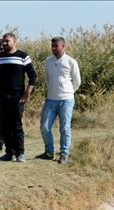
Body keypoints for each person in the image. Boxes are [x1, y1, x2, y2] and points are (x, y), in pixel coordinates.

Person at [0, 33, 36, 163]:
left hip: (18, 96)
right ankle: (9, 153)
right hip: (3, 96)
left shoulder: (23, 56)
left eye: (7, 41)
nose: (5, 43)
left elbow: (33, 76)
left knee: (16, 125)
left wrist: (27, 93)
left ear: (14, 41)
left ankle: (20, 153)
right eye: (4, 41)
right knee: (5, 125)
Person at [36, 37, 81, 165]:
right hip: (51, 99)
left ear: (63, 46)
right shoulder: (48, 62)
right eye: (52, 46)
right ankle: (49, 152)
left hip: (66, 100)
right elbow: (48, 78)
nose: (54, 48)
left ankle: (64, 154)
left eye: (56, 46)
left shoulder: (71, 62)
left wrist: (69, 92)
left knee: (65, 129)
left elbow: (77, 81)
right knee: (44, 127)